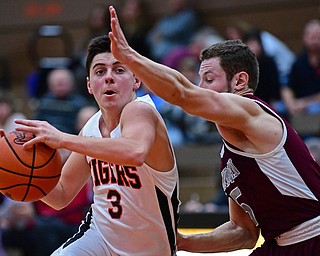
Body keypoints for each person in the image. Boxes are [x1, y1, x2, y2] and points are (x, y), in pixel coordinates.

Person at [108, 6, 320, 255]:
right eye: (200, 81)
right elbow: (243, 233)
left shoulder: (250, 110)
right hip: (281, 244)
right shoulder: (230, 151)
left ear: (240, 82)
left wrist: (129, 57)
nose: (201, 88)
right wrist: (180, 241)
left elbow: (182, 93)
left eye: (209, 79)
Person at [9, 34, 179, 255]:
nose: (109, 77)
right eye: (100, 71)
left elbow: (134, 152)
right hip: (98, 239)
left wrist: (63, 139)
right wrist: (18, 175)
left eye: (119, 70)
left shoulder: (141, 110)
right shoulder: (91, 127)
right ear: (89, 85)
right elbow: (60, 195)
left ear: (136, 80)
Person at [32, 68, 88, 135]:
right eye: (58, 84)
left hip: (71, 137)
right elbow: (36, 121)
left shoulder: (79, 102)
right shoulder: (44, 101)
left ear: (72, 84)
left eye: (64, 83)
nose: (61, 87)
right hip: (46, 136)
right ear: (50, 85)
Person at [281, 19, 320, 115]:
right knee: (277, 108)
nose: (314, 41)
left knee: (313, 109)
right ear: (304, 38)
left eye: (318, 37)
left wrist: (305, 103)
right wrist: (291, 103)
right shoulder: (298, 62)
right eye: (311, 36)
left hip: (313, 105)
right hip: (299, 103)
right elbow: (287, 87)